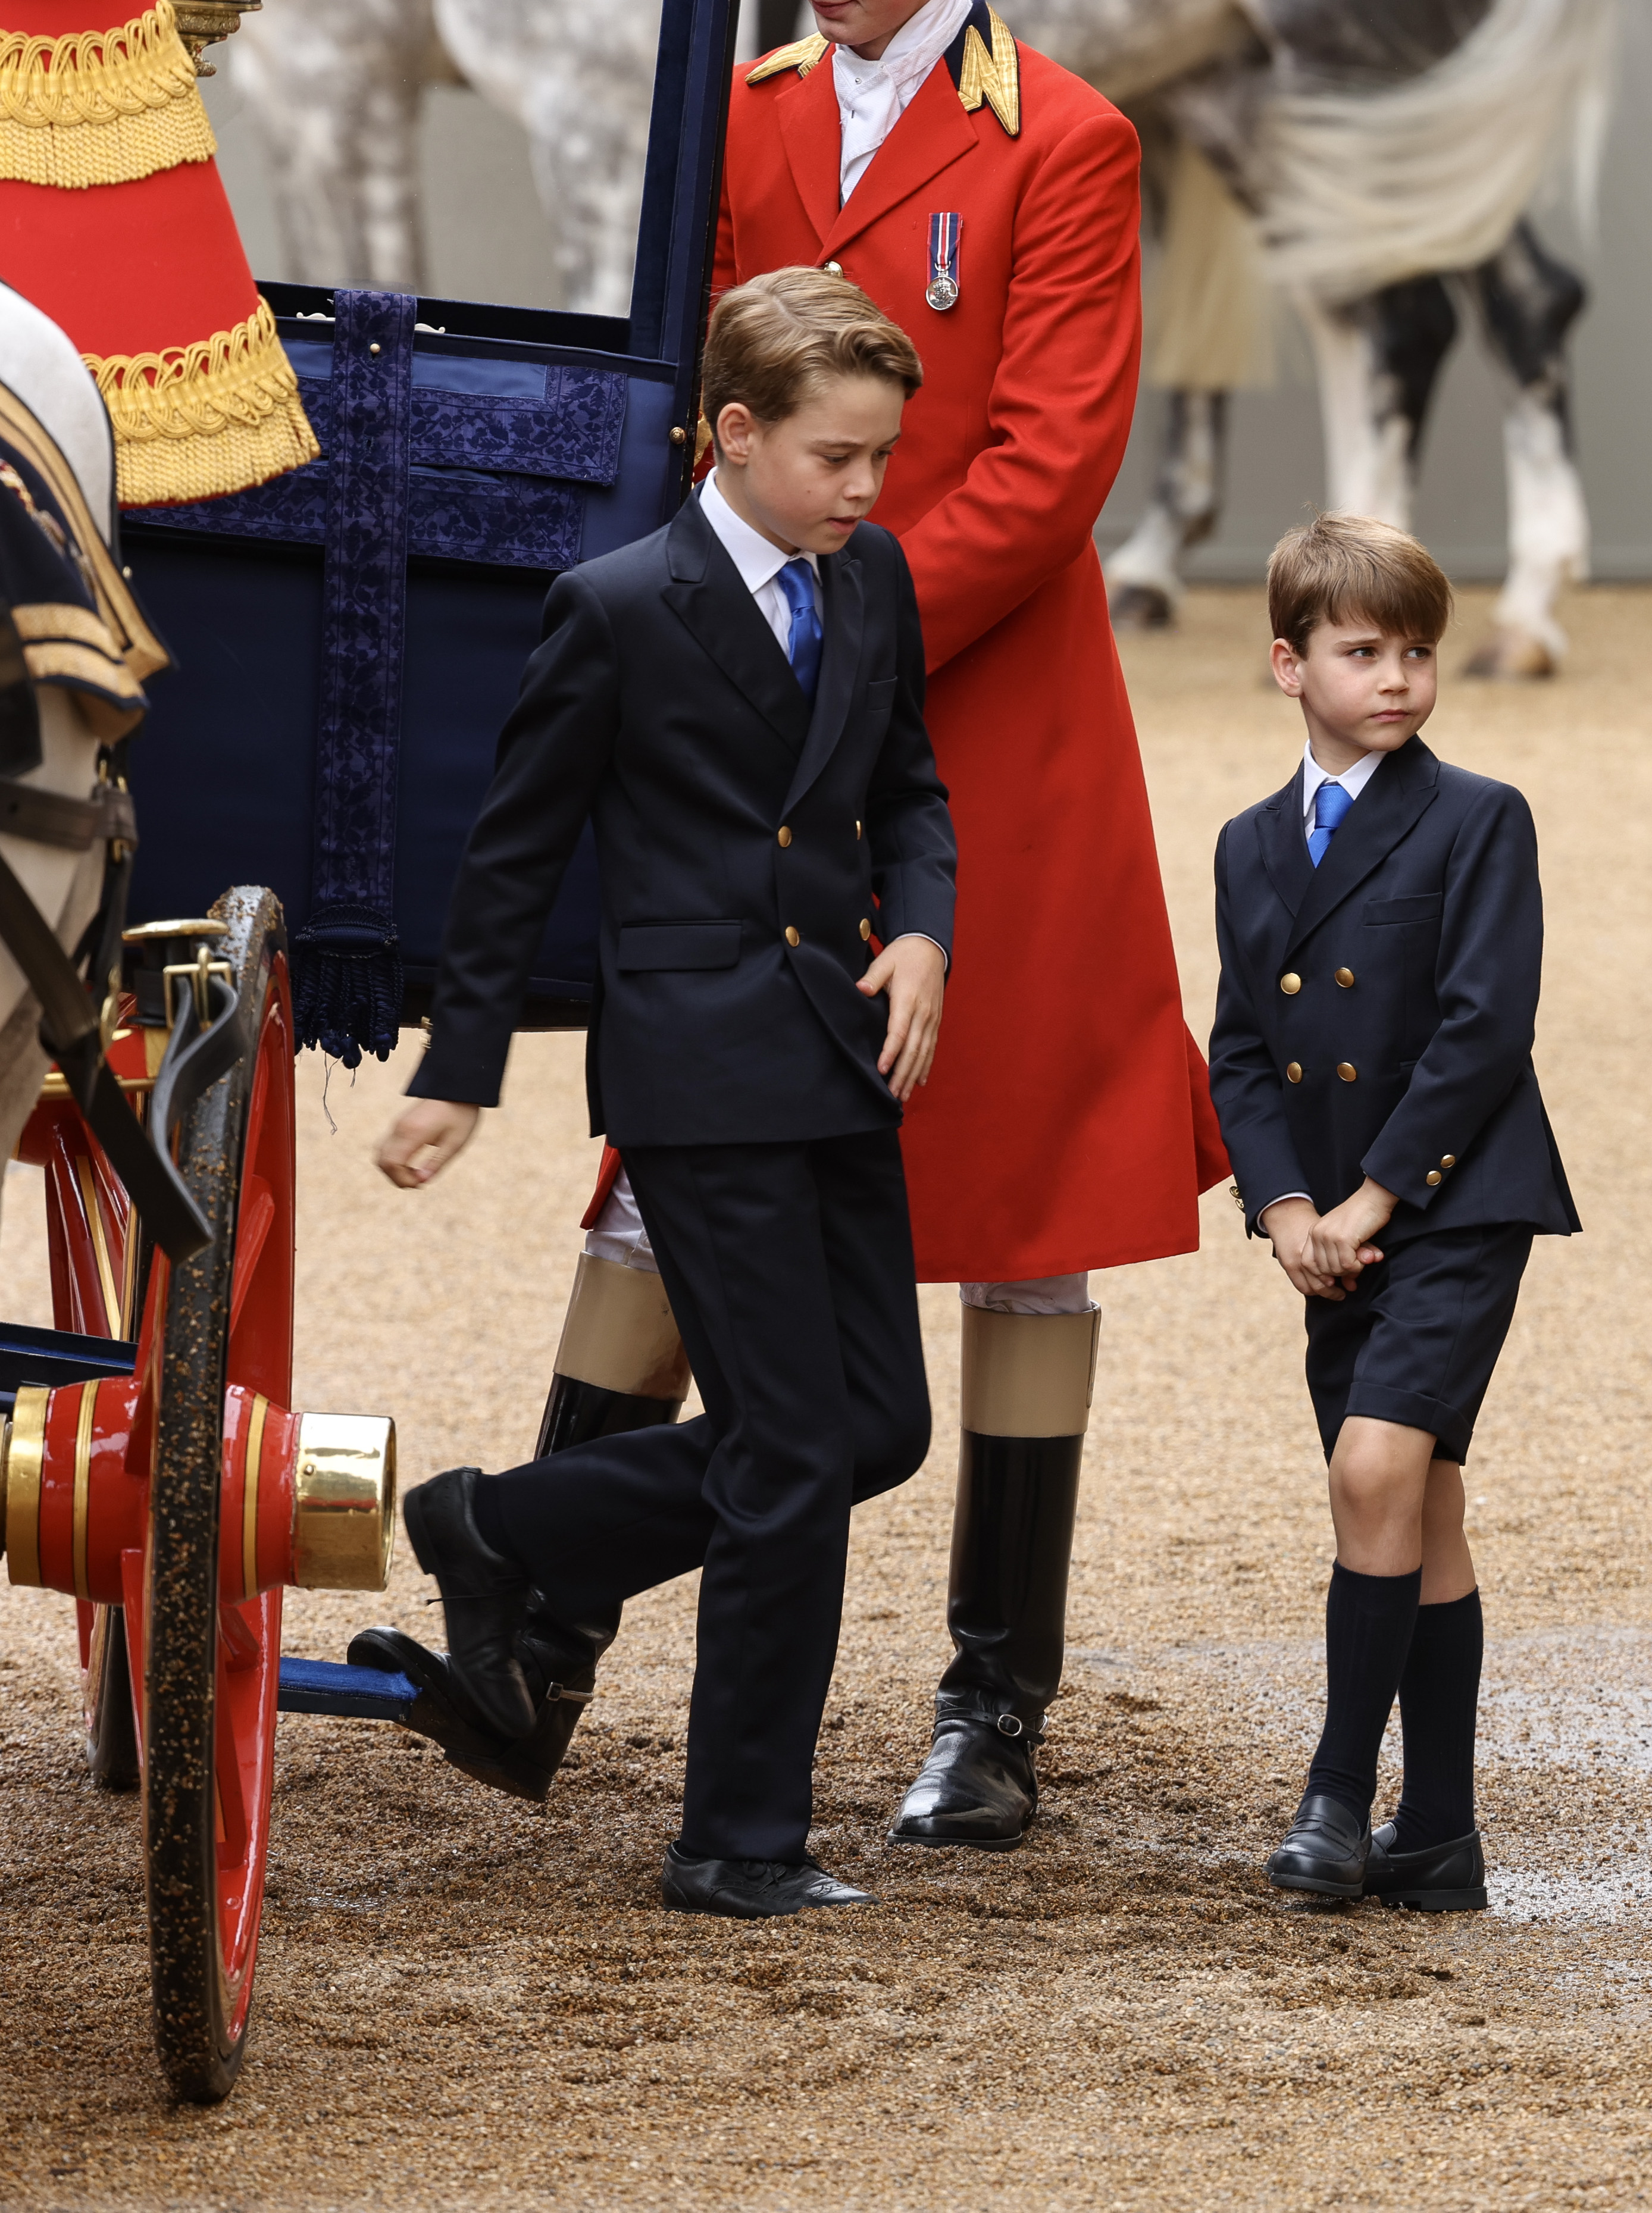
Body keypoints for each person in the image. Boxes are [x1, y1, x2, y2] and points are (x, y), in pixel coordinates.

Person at [524, 0, 1231, 1854]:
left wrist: (844, 625)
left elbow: (1054, 456)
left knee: (1027, 1211)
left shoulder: (1067, 137)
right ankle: (537, 1636)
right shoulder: (739, 113)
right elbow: (699, 392)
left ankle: (994, 1699)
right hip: (758, 700)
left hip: (981, 716)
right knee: (677, 1161)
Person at [361, 269, 959, 1920]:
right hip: (695, 1071)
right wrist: (460, 1075)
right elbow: (514, 852)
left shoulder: (875, 576)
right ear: (736, 434)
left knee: (879, 1430)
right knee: (783, 1449)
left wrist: (920, 931)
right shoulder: (617, 603)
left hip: (841, 1050)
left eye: (883, 458)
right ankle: (738, 1841)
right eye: (838, 456)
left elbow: (909, 788)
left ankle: (496, 1522)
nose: (865, 487)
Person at [1207, 514, 1578, 1910]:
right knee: (1418, 1502)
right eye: (1364, 652)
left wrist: (1369, 1200)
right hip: (1331, 1228)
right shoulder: (1249, 847)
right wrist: (1287, 1205)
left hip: (1455, 1198)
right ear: (1289, 666)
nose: (1400, 680)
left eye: (1419, 652)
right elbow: (1241, 1046)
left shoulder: (1478, 816)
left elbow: (1485, 1030)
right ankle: (1441, 1833)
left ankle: (1336, 1796)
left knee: (1370, 1477)